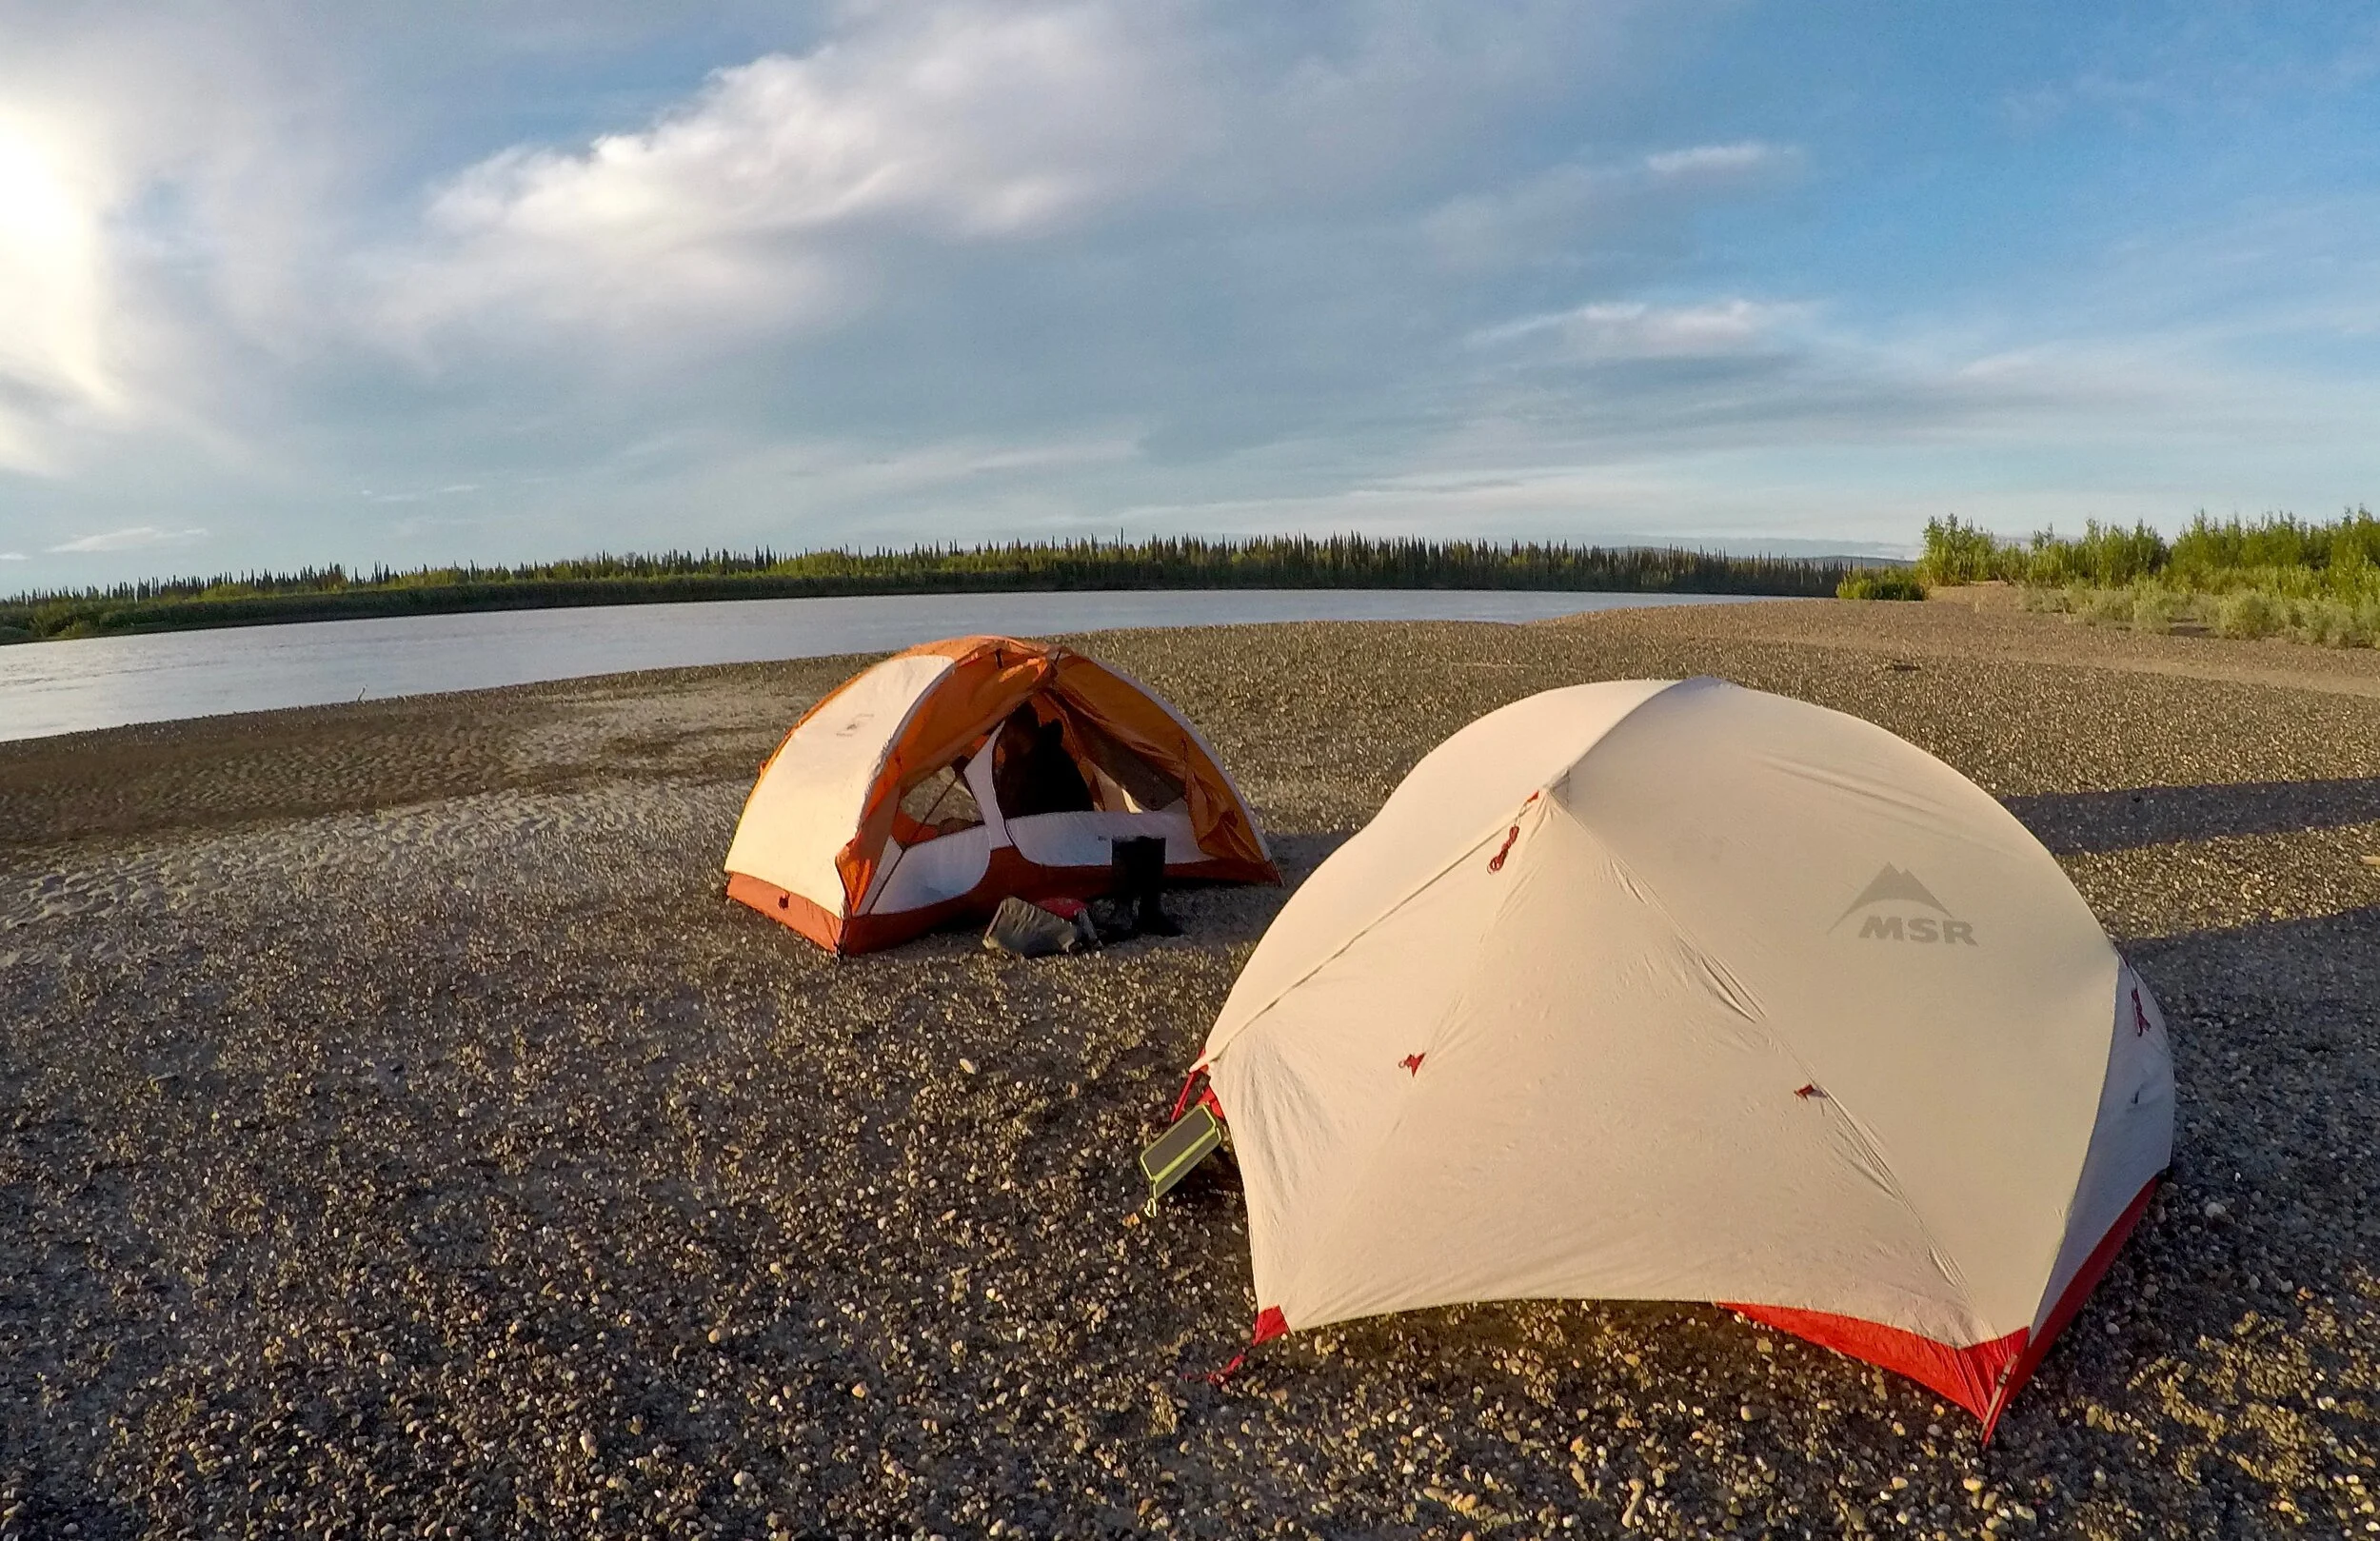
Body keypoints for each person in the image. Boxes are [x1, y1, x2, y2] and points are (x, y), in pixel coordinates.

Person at [992, 704, 1095, 818]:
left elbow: (1027, 817)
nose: (1000, 743)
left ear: (1012, 730)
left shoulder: (1052, 765)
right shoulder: (1014, 764)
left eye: (999, 735)